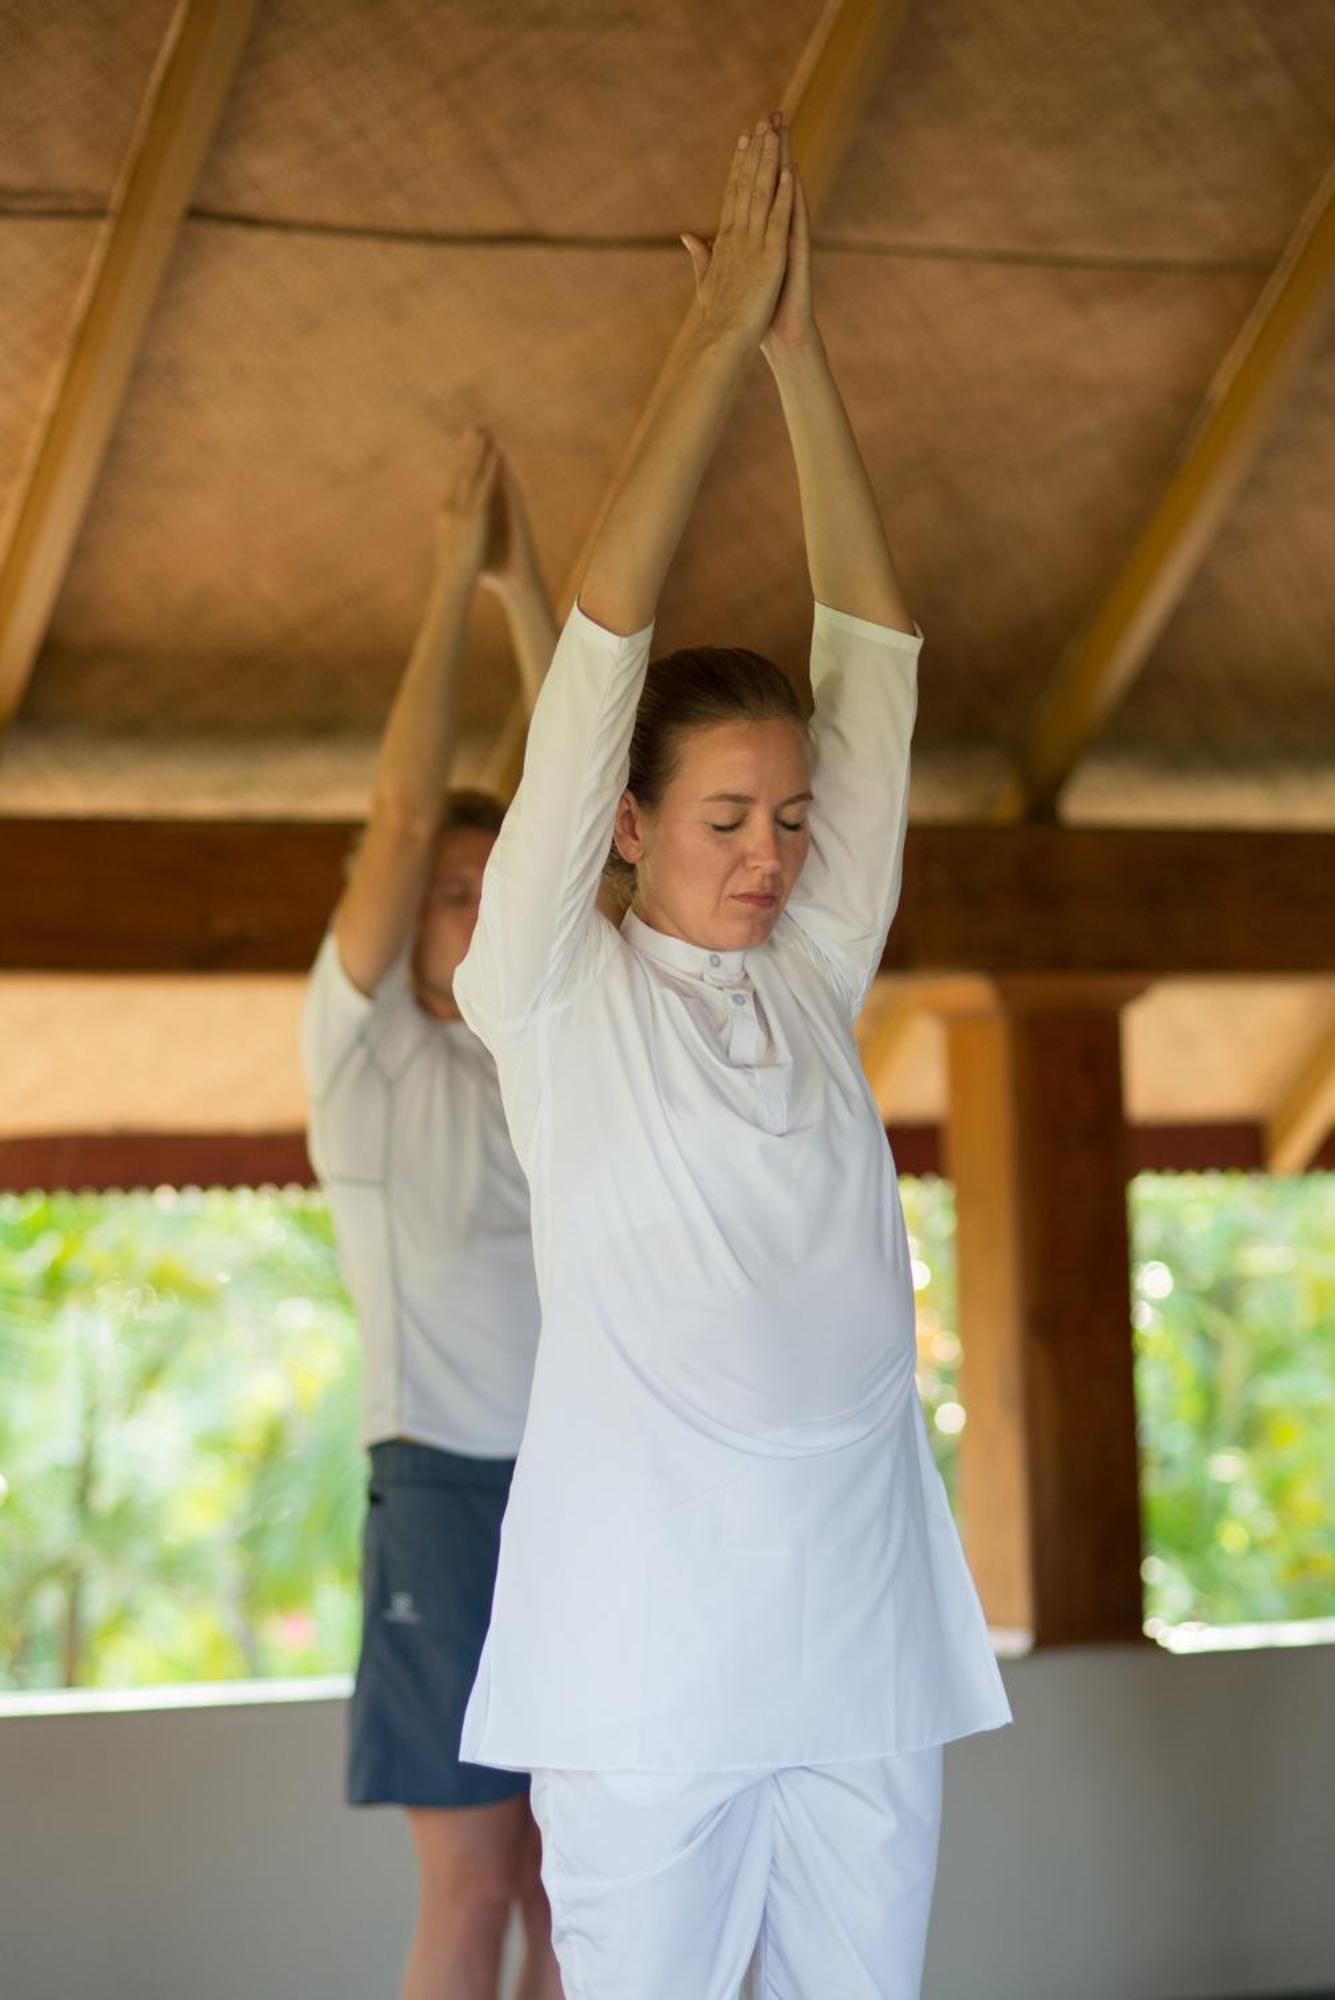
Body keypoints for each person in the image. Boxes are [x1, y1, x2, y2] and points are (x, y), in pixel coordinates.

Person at [452, 114, 1011, 1999]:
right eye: (724, 821)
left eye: (788, 820)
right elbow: (601, 657)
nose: (771, 854)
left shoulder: (812, 966)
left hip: (859, 1630)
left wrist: (802, 357)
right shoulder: (550, 986)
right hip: (645, 1653)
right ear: (623, 827)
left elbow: (879, 650)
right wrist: (701, 362)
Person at [301, 430, 564, 2000]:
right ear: (398, 932)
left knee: (576, 1887)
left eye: (492, 891)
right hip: (450, 1498)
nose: (468, 913)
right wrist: (457, 584)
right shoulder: (368, 1056)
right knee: (474, 1889)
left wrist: (535, 591)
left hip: (596, 1484)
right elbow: (402, 823)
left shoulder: (554, 1055)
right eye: (446, 898)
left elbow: (595, 795)